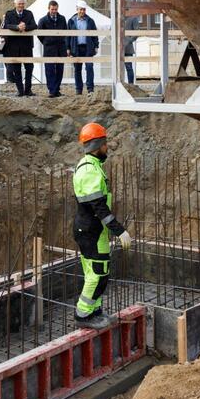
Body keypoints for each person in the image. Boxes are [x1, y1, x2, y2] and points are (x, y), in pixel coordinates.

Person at [73, 122, 132, 330]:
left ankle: (94, 311)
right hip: (92, 231)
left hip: (91, 230)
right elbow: (98, 208)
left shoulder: (91, 165)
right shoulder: (89, 170)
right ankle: (83, 314)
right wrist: (120, 231)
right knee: (97, 274)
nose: (108, 147)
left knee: (97, 272)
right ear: (97, 145)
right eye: (105, 143)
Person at [2, 0, 37, 96]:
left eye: (22, 3)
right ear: (15, 4)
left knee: (29, 67)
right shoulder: (9, 14)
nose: (21, 5)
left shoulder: (29, 13)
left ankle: (28, 90)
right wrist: (17, 27)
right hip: (13, 46)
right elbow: (7, 25)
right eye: (19, 3)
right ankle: (20, 91)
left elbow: (34, 25)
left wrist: (25, 27)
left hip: (27, 46)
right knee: (16, 69)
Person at [37, 0, 67, 98]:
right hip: (49, 49)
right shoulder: (43, 20)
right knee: (49, 70)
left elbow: (66, 33)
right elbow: (39, 35)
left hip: (60, 48)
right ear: (48, 8)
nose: (54, 11)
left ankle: (56, 89)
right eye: (52, 9)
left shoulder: (62, 19)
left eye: (55, 9)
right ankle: (51, 90)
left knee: (60, 69)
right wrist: (46, 42)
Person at [68, 1, 99, 95]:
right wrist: (68, 48)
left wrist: (96, 45)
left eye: (84, 9)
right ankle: (79, 89)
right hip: (76, 48)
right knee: (77, 69)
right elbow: (67, 36)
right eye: (80, 9)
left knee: (89, 67)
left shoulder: (90, 21)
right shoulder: (71, 21)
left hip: (88, 47)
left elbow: (95, 34)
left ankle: (90, 89)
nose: (82, 11)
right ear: (77, 9)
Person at [123, 15, 140, 84]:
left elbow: (137, 32)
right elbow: (111, 30)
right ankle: (120, 84)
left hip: (127, 47)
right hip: (117, 47)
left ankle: (131, 85)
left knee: (129, 67)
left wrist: (129, 41)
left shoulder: (133, 18)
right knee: (116, 68)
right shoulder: (117, 17)